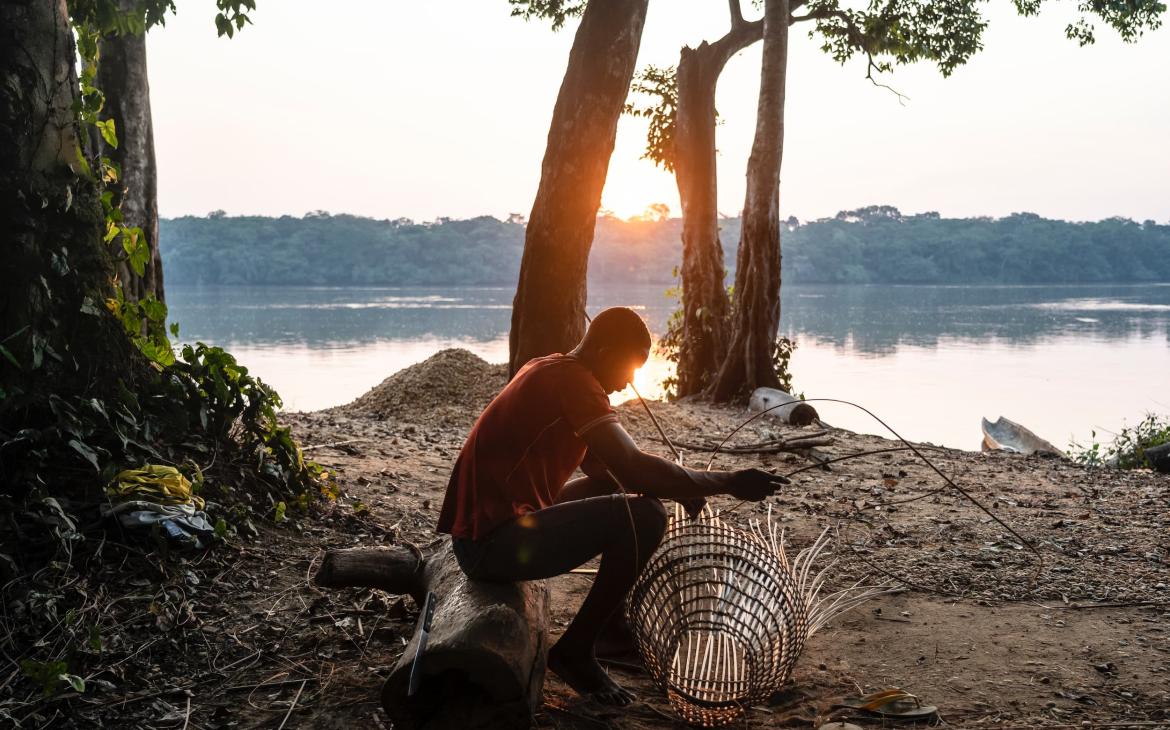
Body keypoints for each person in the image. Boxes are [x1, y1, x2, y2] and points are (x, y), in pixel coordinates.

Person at [436, 307, 787, 705]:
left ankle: (612, 629)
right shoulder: (574, 382)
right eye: (628, 369)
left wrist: (677, 484)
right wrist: (727, 481)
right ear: (603, 350)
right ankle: (578, 648)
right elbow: (634, 466)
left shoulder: (551, 367)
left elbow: (605, 467)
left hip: (488, 533)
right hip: (489, 546)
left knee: (634, 496)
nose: (627, 383)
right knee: (646, 516)